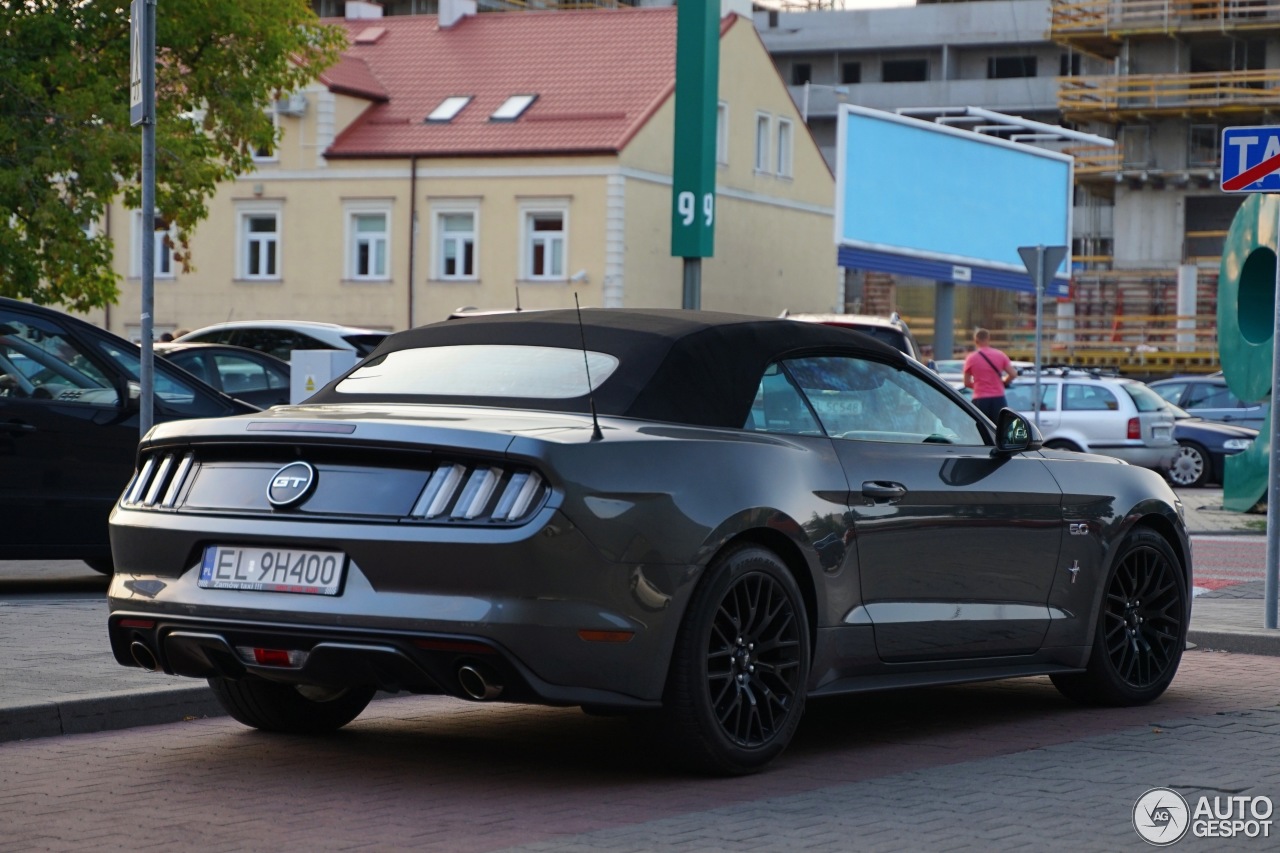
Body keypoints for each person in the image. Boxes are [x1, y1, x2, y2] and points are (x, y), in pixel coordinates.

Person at [962, 328, 1018, 421]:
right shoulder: (1000, 355)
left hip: (980, 399)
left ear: (976, 341)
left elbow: (966, 382)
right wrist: (1004, 382)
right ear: (988, 339)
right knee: (998, 428)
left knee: (981, 429)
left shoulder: (971, 358)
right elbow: (1013, 374)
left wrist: (978, 386)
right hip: (998, 399)